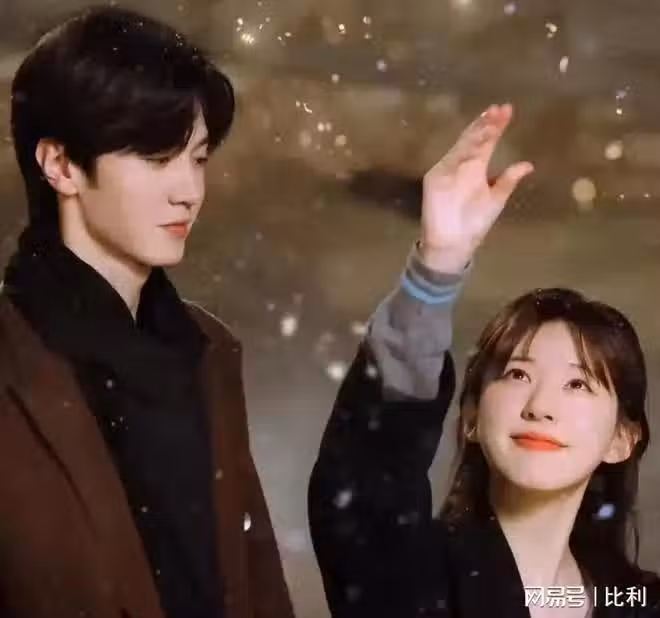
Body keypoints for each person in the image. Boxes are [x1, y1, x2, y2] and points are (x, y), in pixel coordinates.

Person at [308, 103, 660, 617]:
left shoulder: (635, 601)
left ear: (621, 440)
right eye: (517, 374)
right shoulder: (410, 575)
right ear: (471, 416)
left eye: (578, 384)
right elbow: (366, 478)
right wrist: (437, 266)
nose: (540, 407)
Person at [0, 6, 294, 618]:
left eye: (198, 158)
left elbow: (257, 584)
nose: (189, 190)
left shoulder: (209, 351)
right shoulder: (14, 357)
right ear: (60, 165)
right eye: (158, 158)